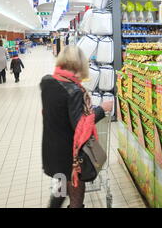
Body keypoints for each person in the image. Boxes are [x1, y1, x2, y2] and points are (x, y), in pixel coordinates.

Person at [40, 45, 113, 208]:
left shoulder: (47, 82)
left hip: (51, 149)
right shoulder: (74, 91)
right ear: (80, 64)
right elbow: (80, 126)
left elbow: (58, 112)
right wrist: (102, 109)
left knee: (60, 187)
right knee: (76, 193)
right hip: (69, 155)